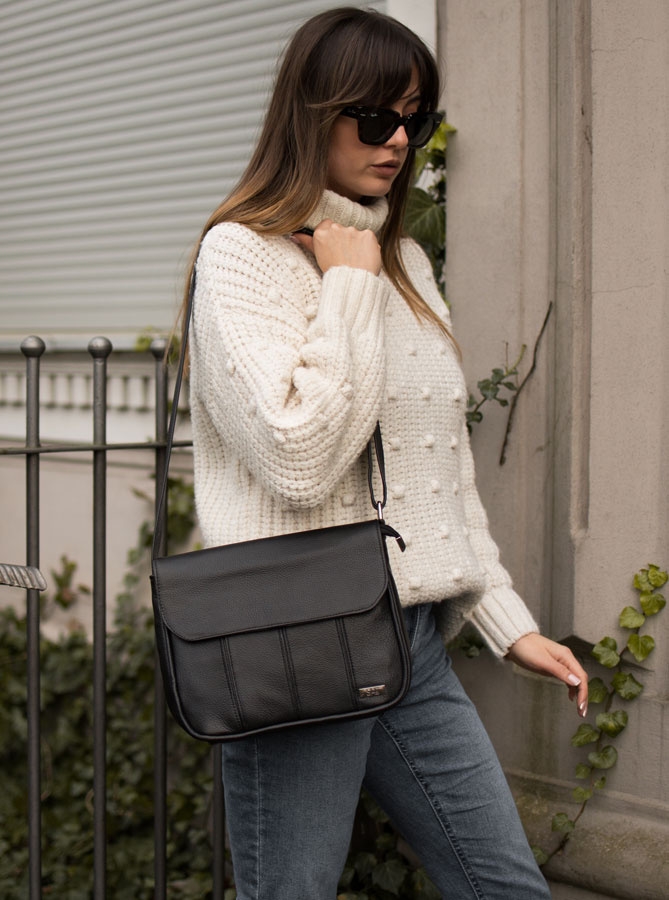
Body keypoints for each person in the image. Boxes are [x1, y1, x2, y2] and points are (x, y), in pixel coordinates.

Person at [182, 7, 588, 898]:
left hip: (406, 635)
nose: (398, 140)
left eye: (416, 119)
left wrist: (504, 618)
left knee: (506, 886)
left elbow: (435, 470)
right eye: (374, 118)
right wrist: (347, 287)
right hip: (297, 639)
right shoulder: (241, 256)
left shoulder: (400, 257)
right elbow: (297, 459)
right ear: (310, 114)